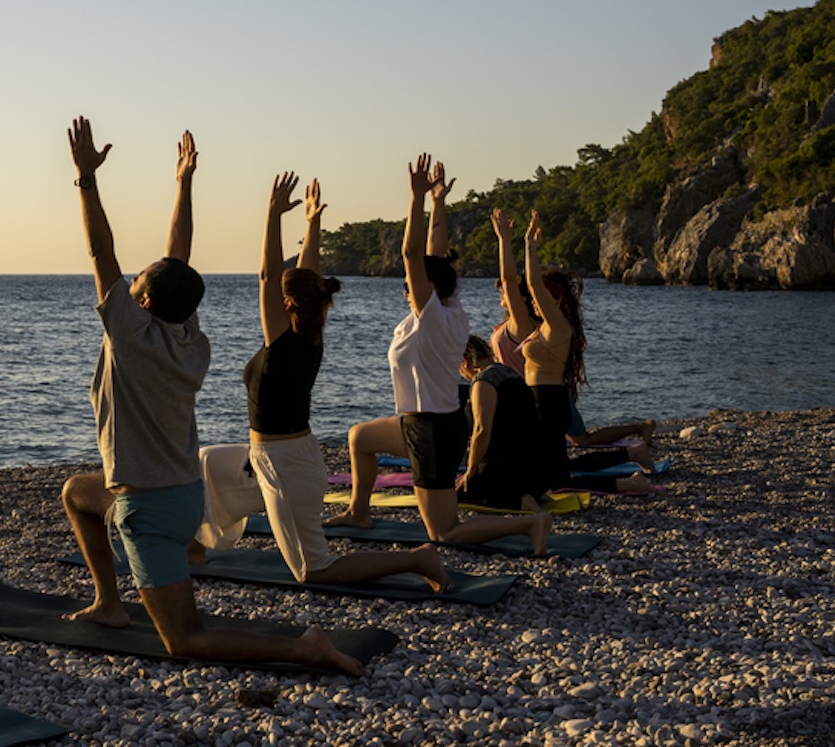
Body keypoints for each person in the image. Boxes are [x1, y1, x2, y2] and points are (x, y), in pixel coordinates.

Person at [60, 119, 362, 675]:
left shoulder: (129, 335)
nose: (133, 278)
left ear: (143, 301)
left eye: (139, 280)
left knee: (184, 638)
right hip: (184, 495)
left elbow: (101, 251)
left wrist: (86, 180)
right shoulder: (186, 332)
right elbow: (178, 256)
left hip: (148, 507)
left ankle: (305, 648)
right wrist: (184, 182)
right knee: (78, 492)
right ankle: (109, 602)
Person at [199, 172, 448, 589]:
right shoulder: (306, 334)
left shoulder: (288, 343)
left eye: (281, 296)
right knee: (204, 463)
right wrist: (312, 223)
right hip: (271, 458)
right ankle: (193, 544)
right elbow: (305, 275)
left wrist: (272, 216)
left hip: (286, 467)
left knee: (314, 571)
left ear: (289, 303)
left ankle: (416, 559)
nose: (273, 300)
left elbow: (267, 275)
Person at [325, 156, 551, 553]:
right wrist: (438, 202)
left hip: (432, 431)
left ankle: (531, 524)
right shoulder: (449, 309)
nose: (404, 289)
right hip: (420, 422)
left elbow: (414, 255)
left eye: (411, 285)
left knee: (444, 532)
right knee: (360, 437)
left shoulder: (432, 317)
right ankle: (359, 510)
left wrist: (415, 199)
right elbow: (434, 254)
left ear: (427, 286)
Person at [493, 210, 658, 497]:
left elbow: (526, 284)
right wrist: (520, 243)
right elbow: (514, 281)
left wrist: (526, 245)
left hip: (548, 401)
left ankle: (629, 483)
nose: (534, 298)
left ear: (553, 298)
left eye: (541, 295)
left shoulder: (558, 326)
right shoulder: (544, 326)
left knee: (555, 479)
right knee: (556, 471)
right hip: (541, 400)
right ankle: (632, 458)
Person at [456, 336, 548, 512]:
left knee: (459, 494)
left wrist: (471, 469)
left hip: (510, 469)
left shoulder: (483, 381)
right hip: (539, 468)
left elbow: (481, 429)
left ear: (464, 361)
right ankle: (530, 493)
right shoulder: (510, 373)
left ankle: (521, 500)